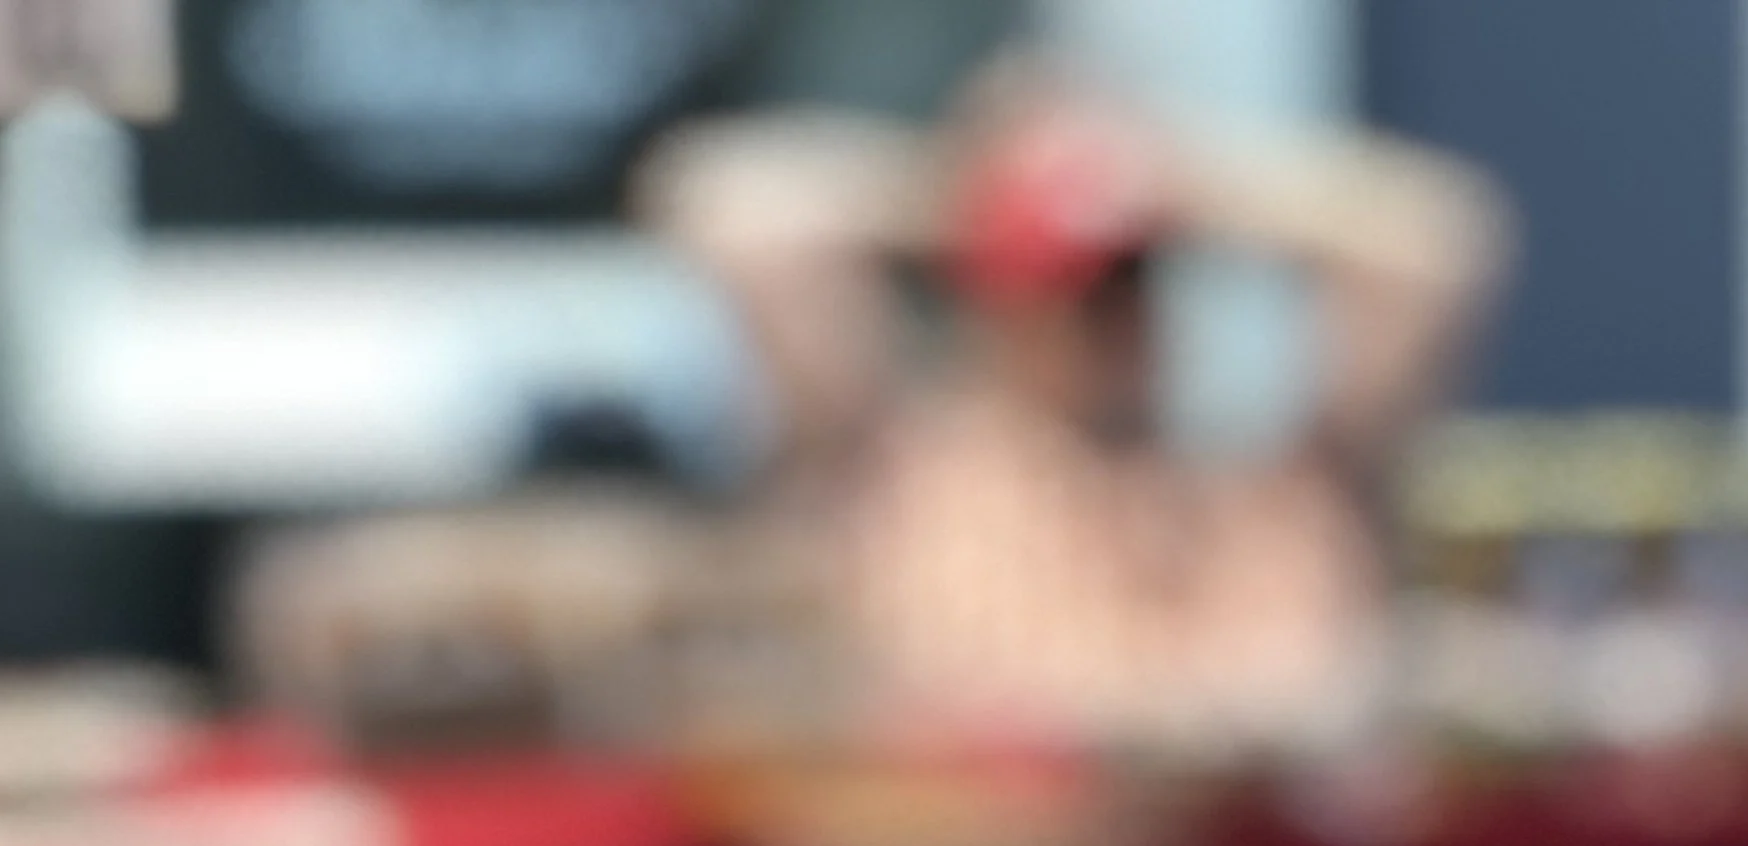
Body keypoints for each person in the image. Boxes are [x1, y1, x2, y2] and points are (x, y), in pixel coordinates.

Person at [640, 63, 1508, 757]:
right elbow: (728, 204)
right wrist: (990, 189)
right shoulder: (906, 468)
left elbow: (1441, 239)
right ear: (995, 306)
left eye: (1138, 280)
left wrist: (1177, 184)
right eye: (1079, 292)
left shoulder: (1273, 485)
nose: (1118, 322)